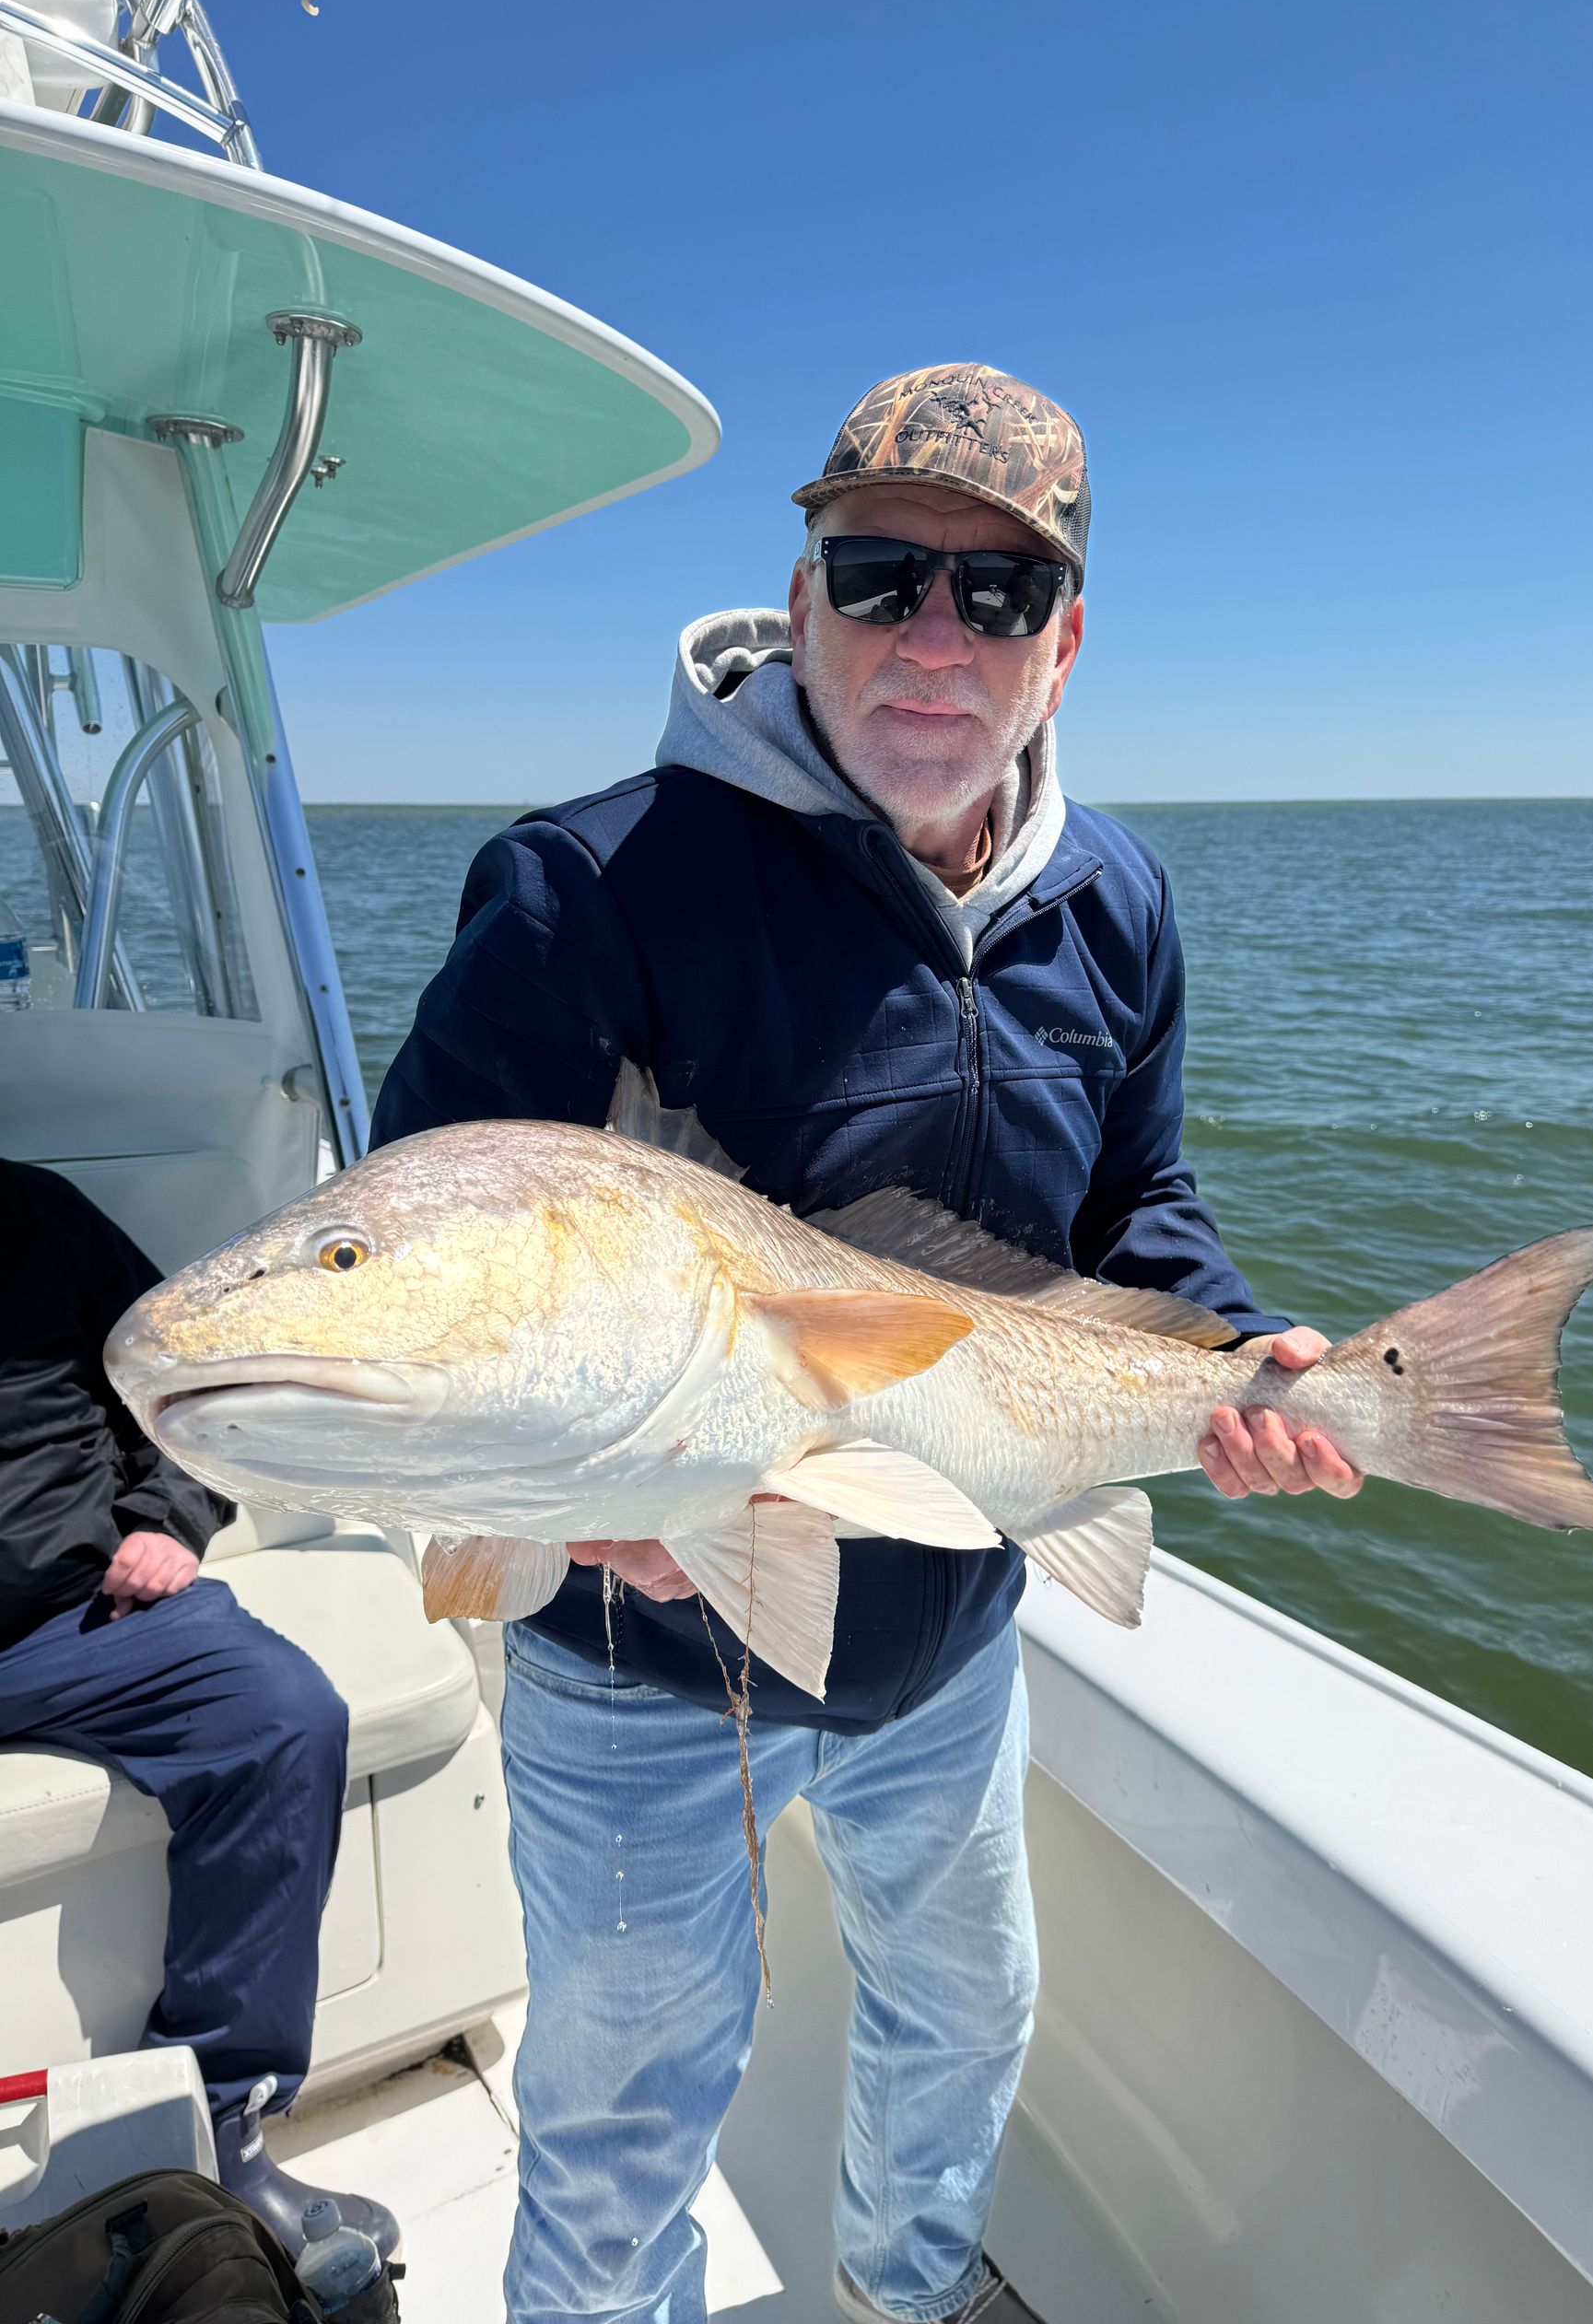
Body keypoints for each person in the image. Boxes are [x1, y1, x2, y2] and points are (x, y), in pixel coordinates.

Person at [374, 362, 1363, 2324]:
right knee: (622, 2119)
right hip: (646, 1664)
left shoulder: (1119, 901)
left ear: (1062, 645)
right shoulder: (592, 886)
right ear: (801, 595)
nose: (935, 635)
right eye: (881, 572)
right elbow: (429, 1278)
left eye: (995, 598)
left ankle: (907, 2297)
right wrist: (577, 1511)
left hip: (950, 1633)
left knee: (962, 2015)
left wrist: (1241, 1347)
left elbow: (1135, 1210)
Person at [0, 1157, 398, 2260]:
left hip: (82, 1617)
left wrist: (169, 1517)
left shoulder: (35, 1214)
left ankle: (218, 2122)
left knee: (283, 1713)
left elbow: (195, 1376)